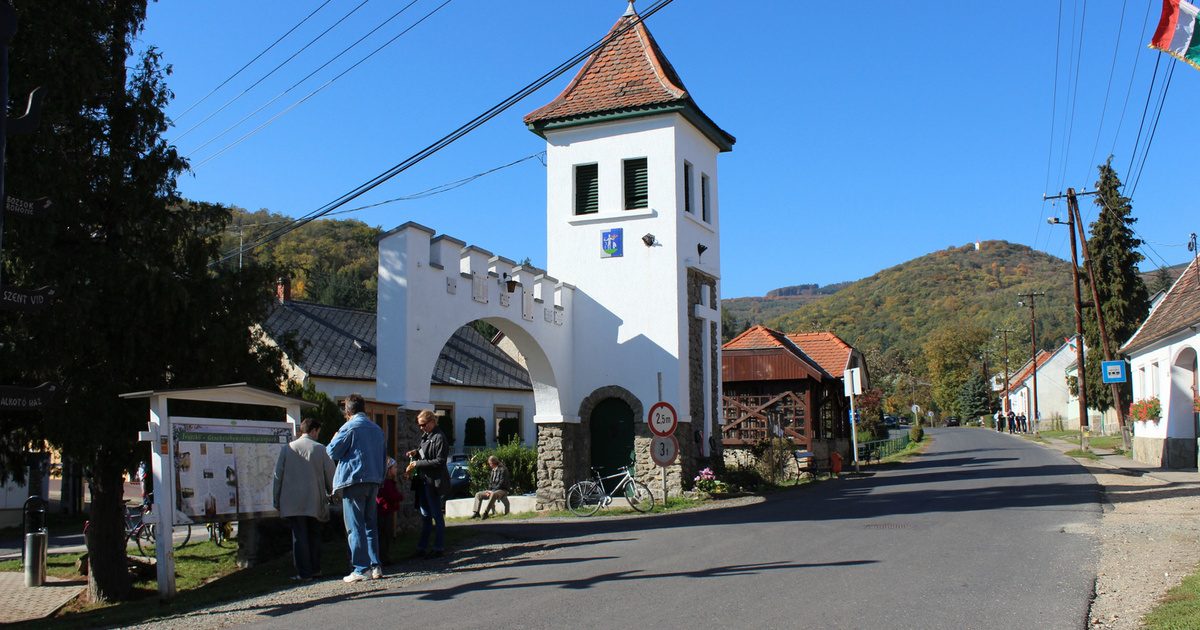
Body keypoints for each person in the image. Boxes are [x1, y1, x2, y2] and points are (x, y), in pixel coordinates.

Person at [328, 393, 386, 582]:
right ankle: (375, 565)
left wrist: (334, 437)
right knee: (370, 525)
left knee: (355, 526)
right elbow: (383, 456)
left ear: (347, 410)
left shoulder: (349, 427)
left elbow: (332, 452)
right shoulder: (377, 429)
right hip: (374, 480)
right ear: (364, 408)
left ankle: (361, 569)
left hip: (354, 480)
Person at [273, 417, 336, 582]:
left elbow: (277, 476)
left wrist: (276, 498)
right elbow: (331, 475)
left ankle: (303, 572)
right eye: (318, 432)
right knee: (314, 534)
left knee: (299, 536)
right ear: (314, 430)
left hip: (292, 501)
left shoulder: (287, 448)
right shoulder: (320, 449)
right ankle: (316, 569)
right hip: (314, 499)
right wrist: (334, 493)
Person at [405, 409, 451, 558]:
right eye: (419, 425)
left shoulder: (439, 437)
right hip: (424, 481)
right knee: (425, 516)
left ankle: (439, 547)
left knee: (437, 516)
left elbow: (440, 461)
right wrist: (415, 452)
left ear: (432, 421)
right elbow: (423, 451)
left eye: (423, 424)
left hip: (434, 482)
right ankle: (422, 547)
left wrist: (418, 463)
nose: (421, 428)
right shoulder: (427, 436)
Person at [376, 458, 403, 564]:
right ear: (389, 469)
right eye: (395, 468)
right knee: (384, 535)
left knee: (385, 535)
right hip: (383, 512)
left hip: (386, 511)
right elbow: (391, 495)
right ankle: (383, 557)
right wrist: (399, 496)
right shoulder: (386, 483)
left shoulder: (389, 482)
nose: (396, 470)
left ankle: (384, 556)